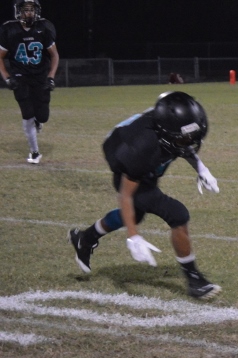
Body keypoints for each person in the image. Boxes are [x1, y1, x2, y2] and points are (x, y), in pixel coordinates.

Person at [68, 91, 222, 300]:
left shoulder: (169, 127)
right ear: (164, 133)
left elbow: (184, 141)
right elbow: (126, 195)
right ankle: (194, 280)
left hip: (147, 162)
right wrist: (133, 236)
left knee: (135, 214)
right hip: (130, 171)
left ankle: (85, 238)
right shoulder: (141, 149)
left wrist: (201, 168)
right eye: (185, 138)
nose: (191, 141)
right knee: (177, 214)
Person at [0, 0, 58, 164]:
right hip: (20, 76)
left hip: (40, 76)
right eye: (26, 10)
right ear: (19, 12)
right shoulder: (9, 30)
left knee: (43, 116)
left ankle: (38, 122)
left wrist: (51, 77)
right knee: (27, 114)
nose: (29, 13)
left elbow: (54, 55)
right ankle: (34, 152)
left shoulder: (44, 27)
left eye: (32, 10)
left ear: (36, 11)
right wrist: (7, 78)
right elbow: (0, 57)